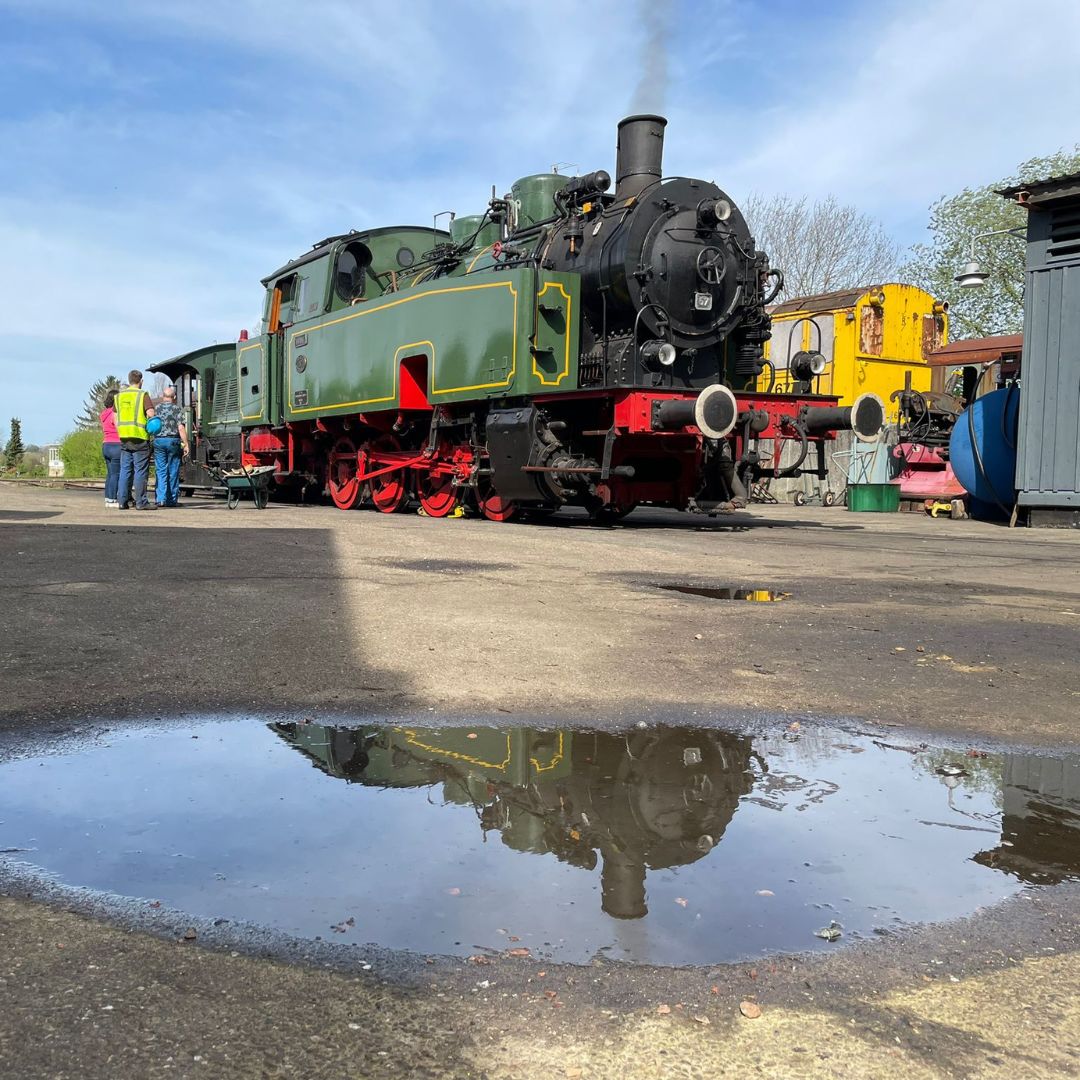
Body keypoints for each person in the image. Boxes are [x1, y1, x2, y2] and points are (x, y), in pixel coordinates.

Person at [115, 370, 156, 510]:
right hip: (139, 438)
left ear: (129, 380)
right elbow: (151, 414)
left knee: (125, 470)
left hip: (124, 438)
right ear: (141, 381)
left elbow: (115, 417)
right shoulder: (142, 395)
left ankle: (122, 501)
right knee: (140, 471)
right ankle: (141, 502)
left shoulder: (119, 396)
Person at [152, 384, 189, 508]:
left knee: (161, 470)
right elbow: (181, 428)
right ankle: (171, 500)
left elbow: (151, 425)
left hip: (159, 441)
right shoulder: (177, 409)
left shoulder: (156, 409)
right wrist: (186, 444)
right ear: (174, 397)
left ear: (163, 397)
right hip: (173, 441)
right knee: (173, 471)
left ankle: (160, 499)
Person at [100, 389, 121, 508]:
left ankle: (108, 497)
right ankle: (112, 499)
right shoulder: (115, 414)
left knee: (110, 474)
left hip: (106, 444)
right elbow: (118, 427)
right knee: (115, 474)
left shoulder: (104, 414)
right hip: (116, 445)